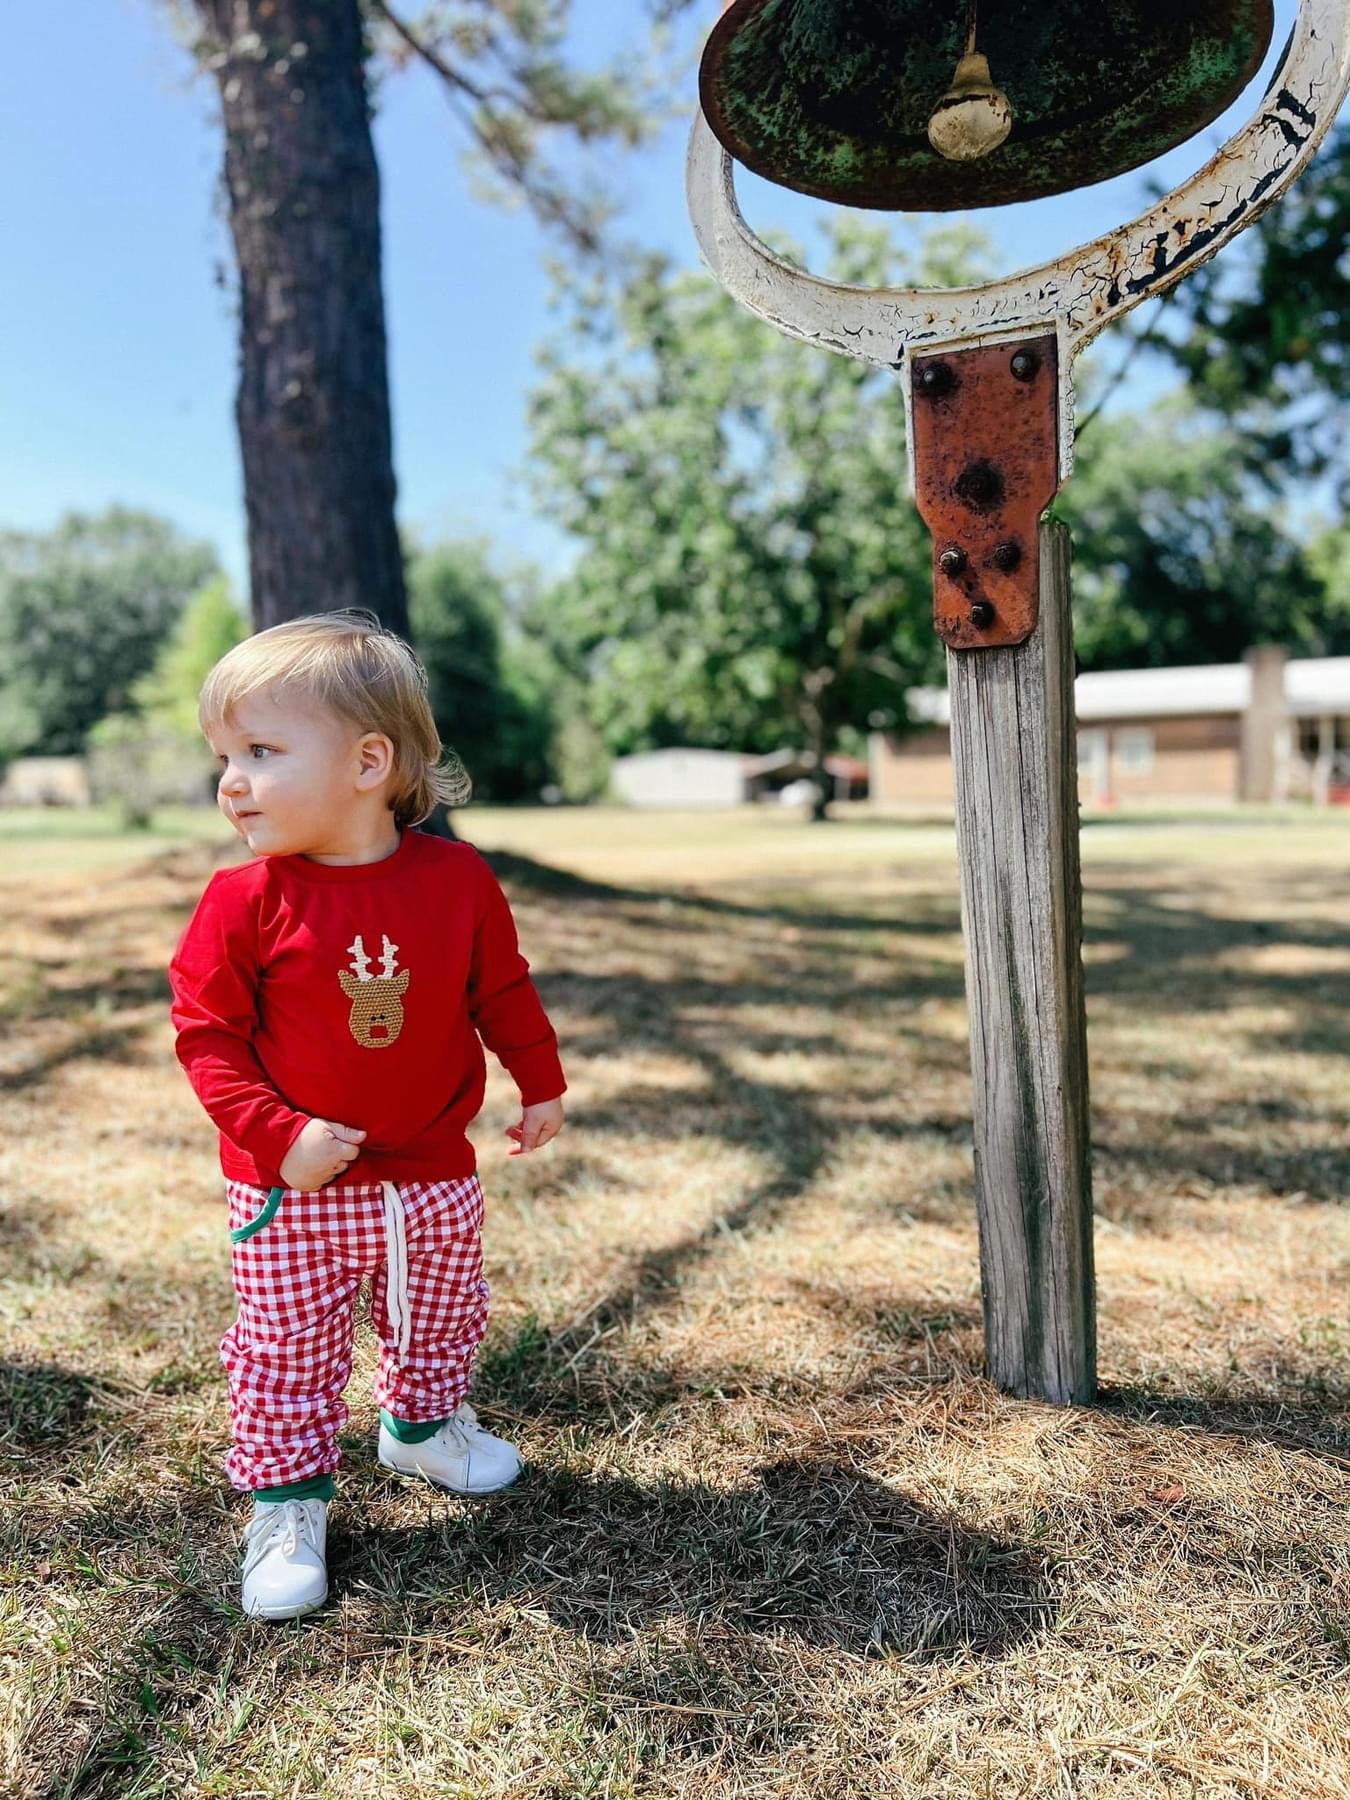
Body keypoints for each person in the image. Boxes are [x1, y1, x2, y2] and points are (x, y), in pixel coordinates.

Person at [168, 609, 566, 1622]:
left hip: (432, 1170)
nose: (232, 780)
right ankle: (288, 1501)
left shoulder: (457, 879)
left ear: (368, 761)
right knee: (288, 1350)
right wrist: (278, 1137)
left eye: (261, 750)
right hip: (295, 1187)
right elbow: (207, 1039)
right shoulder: (243, 900)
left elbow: (502, 991)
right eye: (225, 755)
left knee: (441, 1312)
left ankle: (423, 1427)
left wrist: (540, 1077)